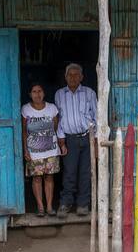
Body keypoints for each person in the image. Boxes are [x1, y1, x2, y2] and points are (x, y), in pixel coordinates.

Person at [55, 63, 97, 218]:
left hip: (87, 137)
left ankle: (83, 204)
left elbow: (97, 116)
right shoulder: (59, 94)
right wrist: (61, 141)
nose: (73, 77)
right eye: (70, 75)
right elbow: (59, 119)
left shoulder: (89, 93)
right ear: (65, 77)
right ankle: (65, 203)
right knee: (69, 172)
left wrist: (96, 140)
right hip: (70, 139)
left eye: (76, 75)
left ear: (81, 77)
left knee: (86, 173)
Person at [22, 83, 60, 217]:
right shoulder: (26, 109)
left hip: (51, 150)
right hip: (34, 151)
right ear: (30, 94)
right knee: (37, 178)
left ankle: (49, 207)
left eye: (40, 91)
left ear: (44, 93)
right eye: (34, 91)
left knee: (49, 177)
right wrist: (25, 150)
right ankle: (40, 207)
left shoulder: (52, 108)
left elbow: (56, 127)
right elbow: (24, 132)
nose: (37, 94)